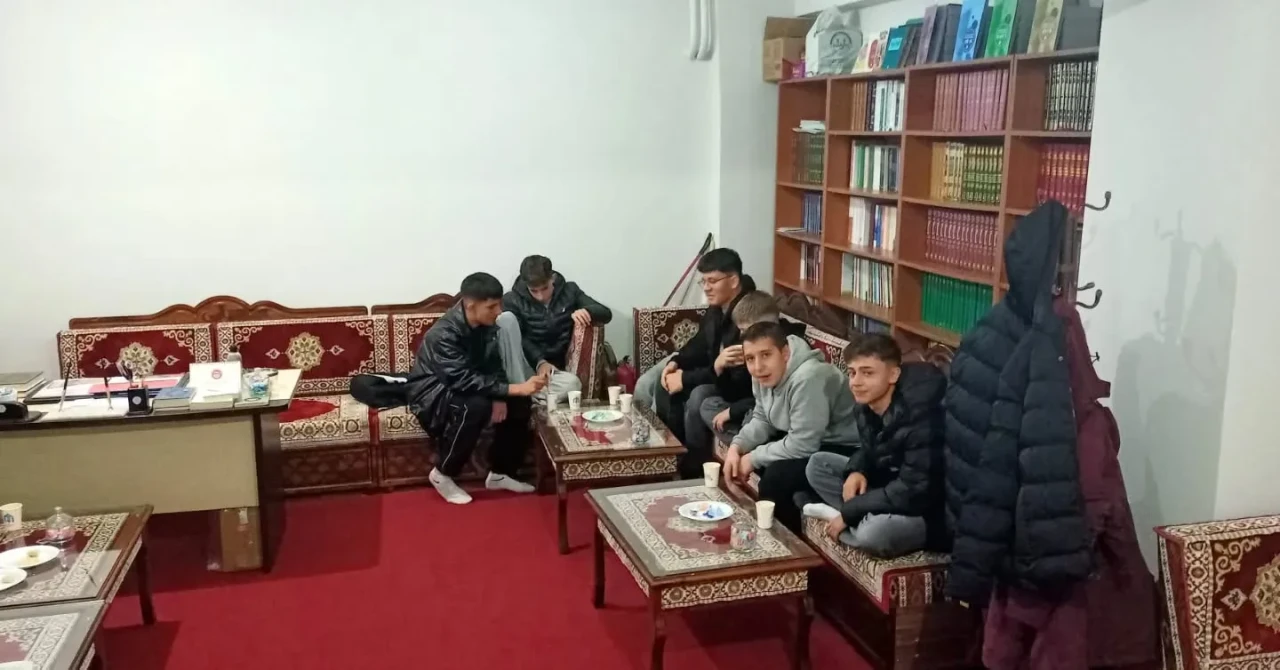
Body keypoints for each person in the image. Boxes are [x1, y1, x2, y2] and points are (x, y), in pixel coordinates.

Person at [406, 272, 548, 505]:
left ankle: (501, 473)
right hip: (433, 393)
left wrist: (502, 395)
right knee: (475, 406)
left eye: (499, 304)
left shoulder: (485, 325)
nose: (499, 311)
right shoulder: (443, 334)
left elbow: (493, 363)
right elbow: (461, 380)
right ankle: (442, 473)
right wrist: (510, 389)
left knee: (520, 402)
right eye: (491, 307)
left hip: (464, 384)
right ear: (470, 305)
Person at [803, 334, 948, 558]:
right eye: (852, 372)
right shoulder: (865, 405)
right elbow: (874, 448)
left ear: (893, 375)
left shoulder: (923, 415)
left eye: (867, 373)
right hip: (891, 487)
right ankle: (857, 518)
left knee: (874, 534)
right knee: (818, 464)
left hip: (929, 511)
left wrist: (851, 511)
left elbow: (914, 490)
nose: (856, 382)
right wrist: (857, 469)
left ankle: (847, 520)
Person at [723, 322, 861, 531]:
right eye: (750, 358)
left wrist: (752, 458)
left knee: (776, 478)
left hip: (846, 447)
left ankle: (783, 544)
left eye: (766, 355)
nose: (758, 367)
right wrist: (737, 447)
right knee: (758, 457)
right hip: (813, 438)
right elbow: (762, 418)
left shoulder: (809, 377)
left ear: (785, 353)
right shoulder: (762, 374)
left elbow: (803, 445)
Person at [651, 249, 756, 464]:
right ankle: (668, 455)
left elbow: (736, 377)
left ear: (733, 281)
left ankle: (694, 465)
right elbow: (699, 344)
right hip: (717, 374)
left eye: (712, 281)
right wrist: (676, 362)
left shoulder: (746, 316)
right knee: (662, 380)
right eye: (703, 281)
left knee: (698, 396)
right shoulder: (717, 308)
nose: (706, 288)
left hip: (736, 387)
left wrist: (686, 378)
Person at [684, 291, 807, 466]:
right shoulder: (751, 344)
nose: (741, 336)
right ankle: (729, 451)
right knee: (707, 404)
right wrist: (720, 367)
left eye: (744, 330)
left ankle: (750, 449)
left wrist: (733, 411)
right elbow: (736, 392)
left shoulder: (784, 350)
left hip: (772, 414)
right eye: (740, 330)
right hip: (753, 406)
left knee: (749, 419)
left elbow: (767, 401)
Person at [498, 255, 612, 402]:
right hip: (525, 366)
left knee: (573, 385)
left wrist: (587, 311)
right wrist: (540, 362)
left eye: (545, 288)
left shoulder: (569, 291)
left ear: (552, 278)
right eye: (534, 291)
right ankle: (524, 392)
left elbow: (606, 313)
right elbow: (519, 339)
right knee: (506, 319)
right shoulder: (512, 299)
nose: (540, 296)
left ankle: (526, 396)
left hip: (554, 371)